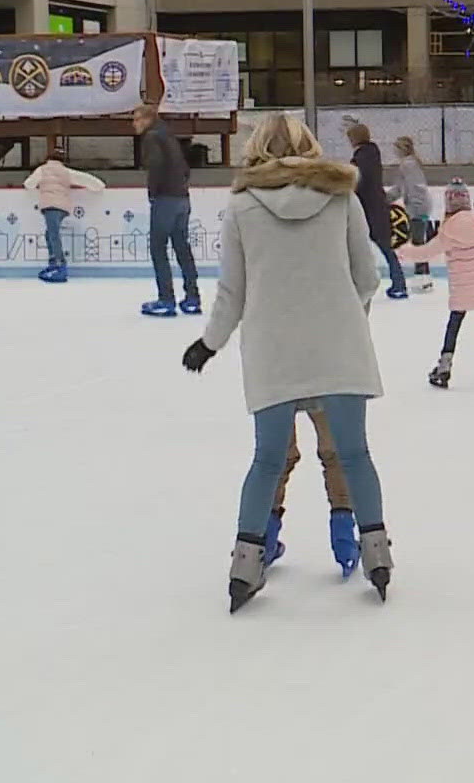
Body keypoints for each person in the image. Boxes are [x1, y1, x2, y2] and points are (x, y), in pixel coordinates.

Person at [178, 113, 392, 612]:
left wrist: (208, 344)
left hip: (273, 351)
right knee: (354, 453)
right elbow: (367, 277)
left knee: (267, 458)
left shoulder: (242, 206)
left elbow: (233, 292)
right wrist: (343, 319)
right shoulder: (342, 197)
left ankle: (245, 563)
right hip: (340, 347)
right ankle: (376, 555)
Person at [399, 178, 474, 388]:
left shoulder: (449, 229)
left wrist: (402, 251)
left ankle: (444, 367)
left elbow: (426, 252)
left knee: (454, 325)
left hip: (462, 288)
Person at [265, 402, 363, 578]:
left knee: (277, 458)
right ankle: (344, 541)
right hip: (320, 379)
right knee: (334, 455)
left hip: (276, 381)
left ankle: (265, 540)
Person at [133, 104, 199, 317]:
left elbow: (156, 166)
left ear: (146, 119)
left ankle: (166, 299)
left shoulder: (152, 137)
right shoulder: (169, 135)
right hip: (182, 197)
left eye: (136, 119)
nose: (133, 124)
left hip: (165, 199)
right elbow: (185, 167)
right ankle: (192, 297)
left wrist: (153, 193)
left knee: (158, 249)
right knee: (182, 247)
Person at [22, 145, 104, 283]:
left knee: (53, 235)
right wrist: (99, 185)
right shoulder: (66, 172)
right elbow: (85, 179)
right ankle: (54, 261)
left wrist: (37, 186)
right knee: (50, 234)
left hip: (49, 205)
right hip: (62, 207)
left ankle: (59, 264)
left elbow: (29, 184)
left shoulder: (42, 170)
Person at [347, 122, 409, 300]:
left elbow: (358, 181)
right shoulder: (371, 154)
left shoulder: (363, 157)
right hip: (376, 207)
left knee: (359, 247)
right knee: (385, 248)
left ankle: (397, 283)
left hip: (368, 209)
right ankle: (399, 283)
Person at [389, 135, 436, 293]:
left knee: (418, 242)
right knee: (418, 241)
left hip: (418, 206)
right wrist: (386, 198)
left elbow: (415, 187)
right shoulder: (408, 163)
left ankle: (422, 278)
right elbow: (401, 188)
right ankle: (423, 277)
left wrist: (415, 208)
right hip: (419, 205)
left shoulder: (408, 164)